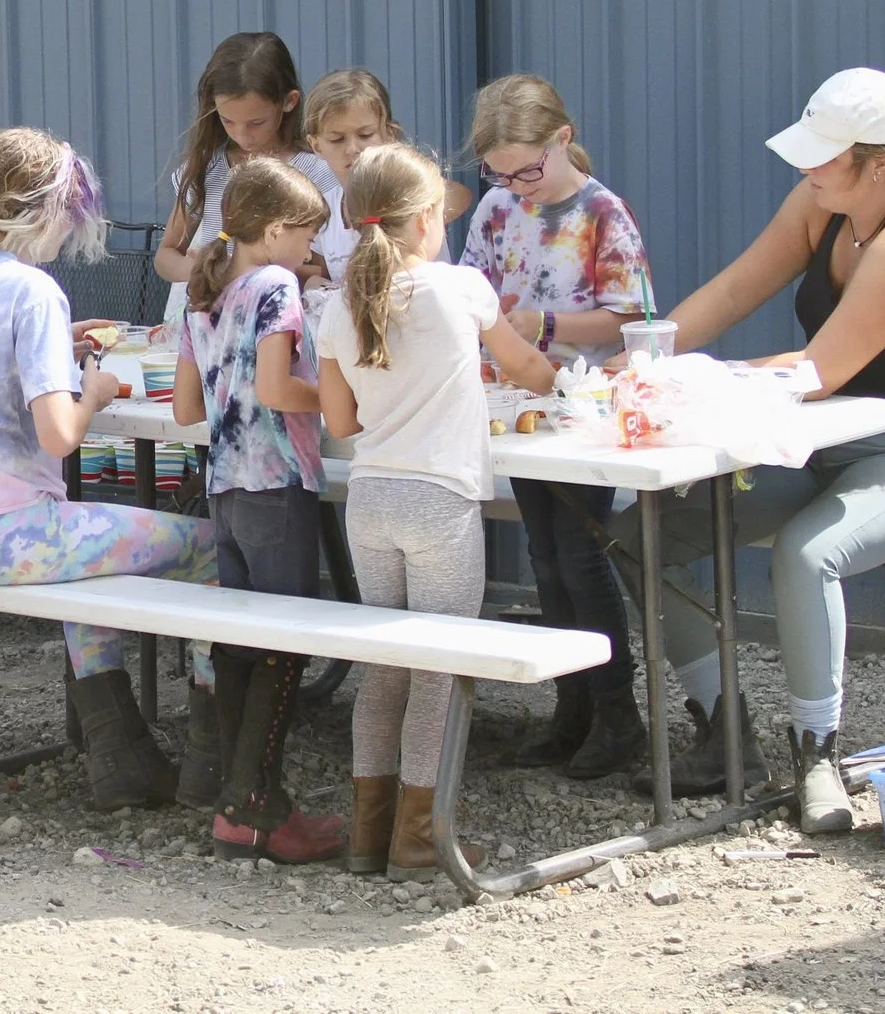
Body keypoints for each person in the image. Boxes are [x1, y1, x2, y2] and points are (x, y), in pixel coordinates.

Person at [637, 69, 885, 832]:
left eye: (824, 154)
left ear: (879, 163)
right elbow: (736, 288)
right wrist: (649, 356)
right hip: (819, 443)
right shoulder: (822, 203)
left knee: (807, 552)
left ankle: (818, 755)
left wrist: (688, 381)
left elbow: (819, 372)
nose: (807, 167)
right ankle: (724, 731)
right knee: (645, 534)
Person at [0, 127, 217, 811]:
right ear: (46, 212)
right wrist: (93, 390)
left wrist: (52, 352)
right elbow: (62, 434)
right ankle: (213, 756)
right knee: (211, 548)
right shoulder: (32, 290)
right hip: (1, 537)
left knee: (84, 555)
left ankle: (120, 756)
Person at [317, 145, 554, 879]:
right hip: (440, 500)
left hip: (372, 498)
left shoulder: (337, 303)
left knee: (383, 668)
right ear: (428, 219)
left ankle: (369, 832)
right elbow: (525, 368)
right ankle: (420, 835)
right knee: (438, 672)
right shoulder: (462, 288)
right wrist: (552, 379)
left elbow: (341, 419)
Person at [461, 75, 652, 779]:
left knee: (581, 552)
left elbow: (630, 315)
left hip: (586, 407)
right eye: (501, 172)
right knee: (545, 553)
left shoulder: (603, 213)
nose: (518, 184)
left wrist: (546, 324)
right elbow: (474, 290)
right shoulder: (495, 208)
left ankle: (616, 712)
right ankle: (570, 709)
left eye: (528, 170)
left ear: (562, 139)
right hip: (519, 409)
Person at [170, 156, 343, 861]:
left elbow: (186, 408)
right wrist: (340, 400)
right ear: (275, 231)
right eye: (307, 237)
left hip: (226, 487)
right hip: (277, 483)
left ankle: (233, 807)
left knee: (240, 647)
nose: (311, 254)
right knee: (284, 648)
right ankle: (260, 807)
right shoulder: (275, 284)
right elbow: (277, 390)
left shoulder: (203, 293)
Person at [155, 32, 335, 319]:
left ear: (289, 102)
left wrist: (247, 271)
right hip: (214, 324)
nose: (242, 135)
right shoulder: (207, 168)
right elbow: (165, 256)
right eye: (227, 121)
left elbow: (328, 267)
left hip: (283, 323)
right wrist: (200, 270)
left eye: (256, 122)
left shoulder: (318, 172)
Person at [302, 70, 474, 285]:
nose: (353, 148)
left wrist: (403, 210)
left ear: (389, 135)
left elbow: (462, 196)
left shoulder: (409, 189)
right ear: (316, 145)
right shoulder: (324, 212)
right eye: (337, 139)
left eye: (365, 135)